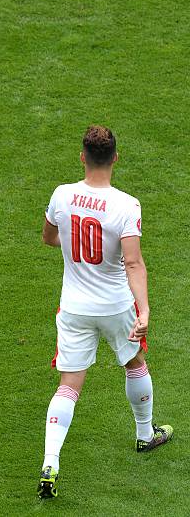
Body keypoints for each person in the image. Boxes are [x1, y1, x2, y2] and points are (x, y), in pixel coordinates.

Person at [37, 125, 173, 499]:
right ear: (115, 157)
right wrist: (143, 310)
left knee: (68, 386)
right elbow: (133, 263)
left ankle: (50, 462)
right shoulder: (126, 205)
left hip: (74, 307)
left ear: (83, 156)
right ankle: (145, 434)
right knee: (135, 363)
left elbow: (49, 238)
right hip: (115, 306)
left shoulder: (62, 196)